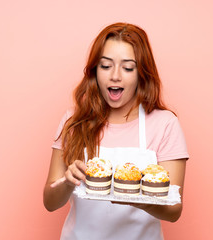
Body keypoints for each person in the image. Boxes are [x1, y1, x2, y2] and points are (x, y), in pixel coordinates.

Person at [43, 22, 189, 240]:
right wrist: (66, 182)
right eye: (105, 66)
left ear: (142, 73)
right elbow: (50, 202)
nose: (115, 76)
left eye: (128, 67)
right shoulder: (74, 121)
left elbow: (174, 210)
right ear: (95, 70)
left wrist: (133, 196)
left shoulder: (164, 124)